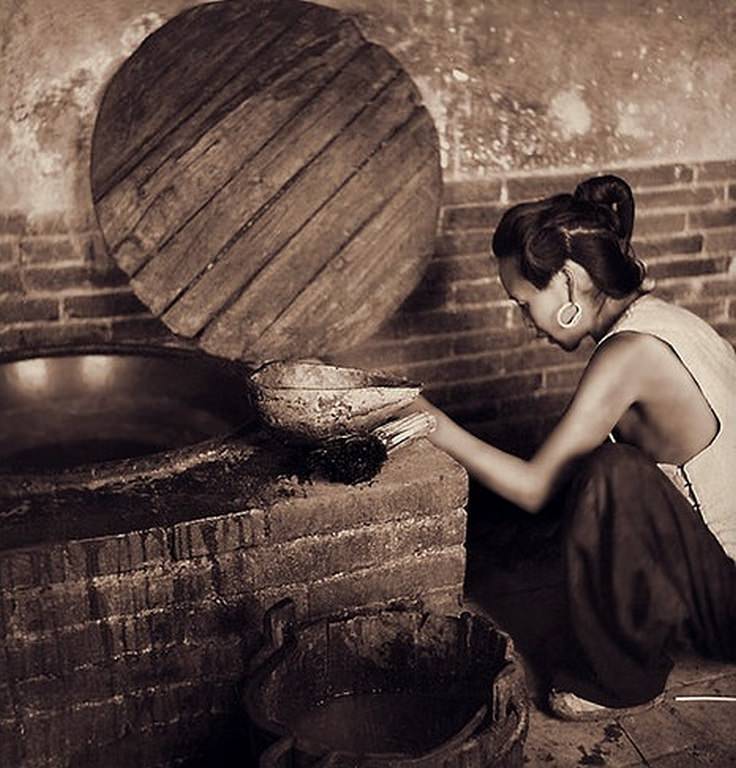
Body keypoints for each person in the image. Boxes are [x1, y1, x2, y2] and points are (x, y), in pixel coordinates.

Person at [416, 174, 736, 720]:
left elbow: (536, 487)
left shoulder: (629, 354)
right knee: (602, 474)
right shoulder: (665, 318)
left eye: (523, 303)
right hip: (718, 568)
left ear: (567, 282)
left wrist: (430, 422)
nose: (526, 324)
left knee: (611, 472)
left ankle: (624, 681)